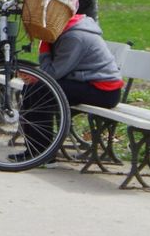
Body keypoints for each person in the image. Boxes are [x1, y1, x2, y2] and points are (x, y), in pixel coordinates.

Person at [19, 9, 123, 163]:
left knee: (41, 91)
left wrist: (44, 47)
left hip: (103, 91)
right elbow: (55, 71)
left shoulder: (74, 37)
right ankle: (33, 149)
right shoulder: (64, 31)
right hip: (84, 83)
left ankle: (43, 154)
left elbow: (53, 73)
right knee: (31, 89)